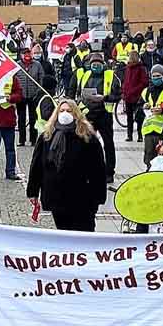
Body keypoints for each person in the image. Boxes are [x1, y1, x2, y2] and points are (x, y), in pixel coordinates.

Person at [26, 99, 106, 231]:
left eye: (69, 111)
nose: (65, 113)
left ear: (76, 114)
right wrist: (33, 191)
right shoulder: (47, 136)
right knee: (63, 232)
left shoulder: (88, 138)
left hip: (81, 198)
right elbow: (37, 167)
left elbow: (98, 170)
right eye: (62, 110)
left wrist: (98, 197)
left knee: (84, 233)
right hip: (56, 197)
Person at [68, 52, 121, 183]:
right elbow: (77, 91)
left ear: (103, 64)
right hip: (88, 114)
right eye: (93, 64)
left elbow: (118, 94)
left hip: (104, 114)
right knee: (86, 143)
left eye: (98, 64)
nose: (95, 66)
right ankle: (88, 169)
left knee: (108, 144)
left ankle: (109, 172)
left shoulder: (110, 76)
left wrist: (104, 98)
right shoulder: (85, 75)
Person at [121, 52, 148, 142]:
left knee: (139, 117)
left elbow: (144, 82)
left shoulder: (141, 68)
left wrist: (134, 90)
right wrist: (124, 91)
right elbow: (125, 81)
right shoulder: (128, 68)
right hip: (128, 96)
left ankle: (140, 135)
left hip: (137, 96)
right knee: (129, 117)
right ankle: (129, 135)